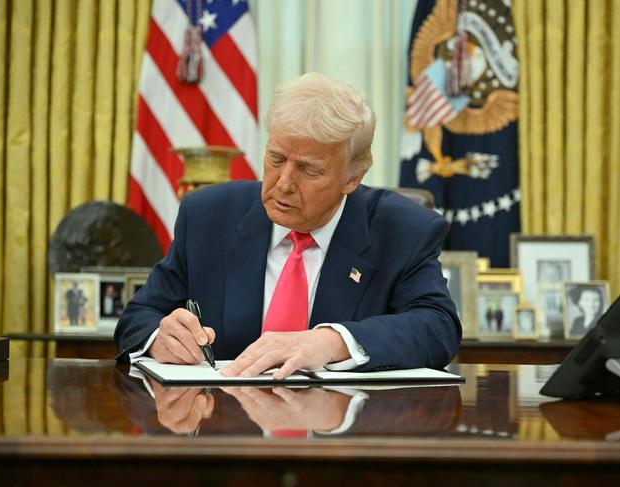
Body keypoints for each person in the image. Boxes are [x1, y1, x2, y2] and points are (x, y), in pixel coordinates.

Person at [114, 73, 461, 378]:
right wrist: (161, 339)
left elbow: (437, 327)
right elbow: (139, 316)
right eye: (276, 159)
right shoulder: (208, 216)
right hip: (226, 429)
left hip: (343, 435)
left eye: (310, 170)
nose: (283, 183)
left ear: (352, 178)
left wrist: (331, 342)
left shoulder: (403, 230)